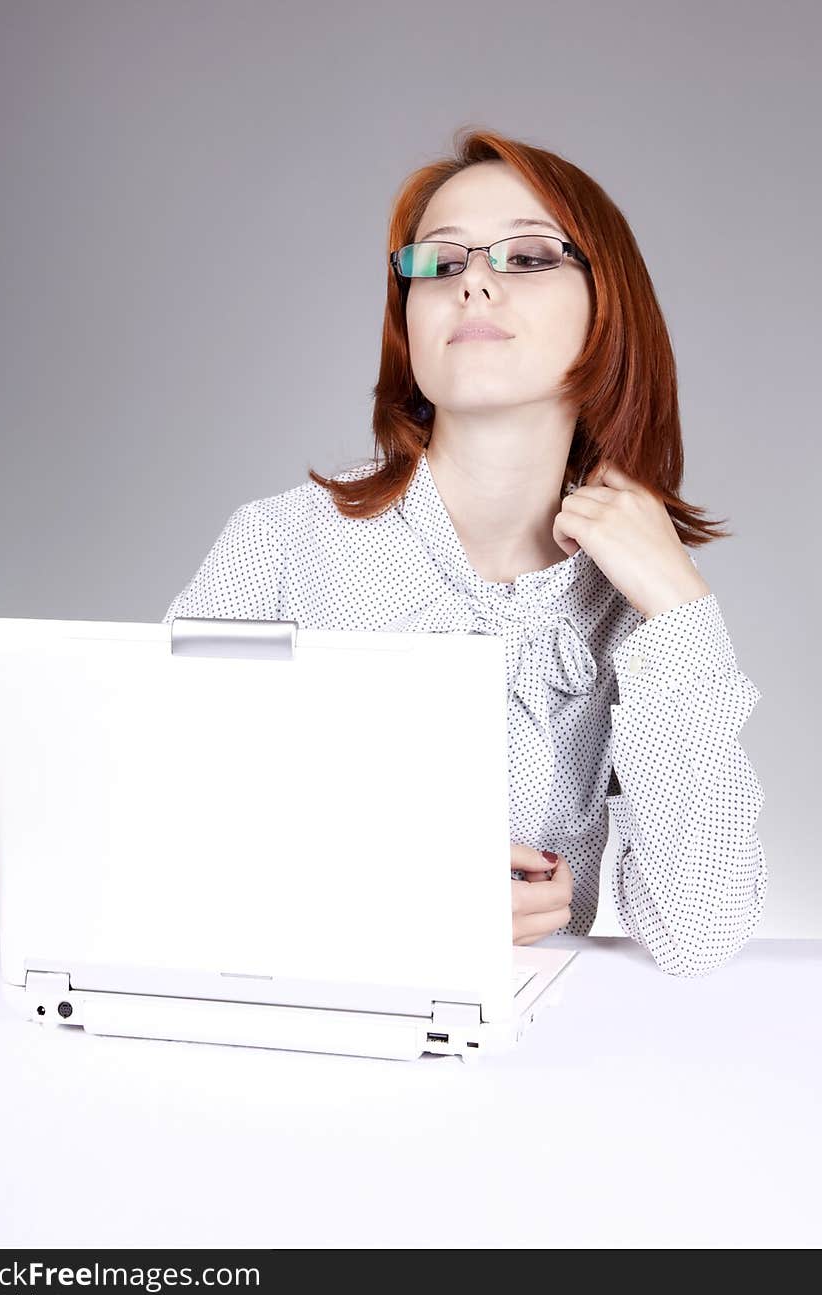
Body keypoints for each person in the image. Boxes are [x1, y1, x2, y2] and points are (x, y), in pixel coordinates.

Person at [162, 126, 767, 977]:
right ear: (406, 321)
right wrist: (401, 900)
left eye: (526, 257)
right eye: (440, 264)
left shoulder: (638, 589)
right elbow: (149, 834)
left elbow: (699, 928)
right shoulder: (281, 544)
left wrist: (681, 608)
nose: (474, 282)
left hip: (541, 1068)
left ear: (609, 309)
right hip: (318, 1036)